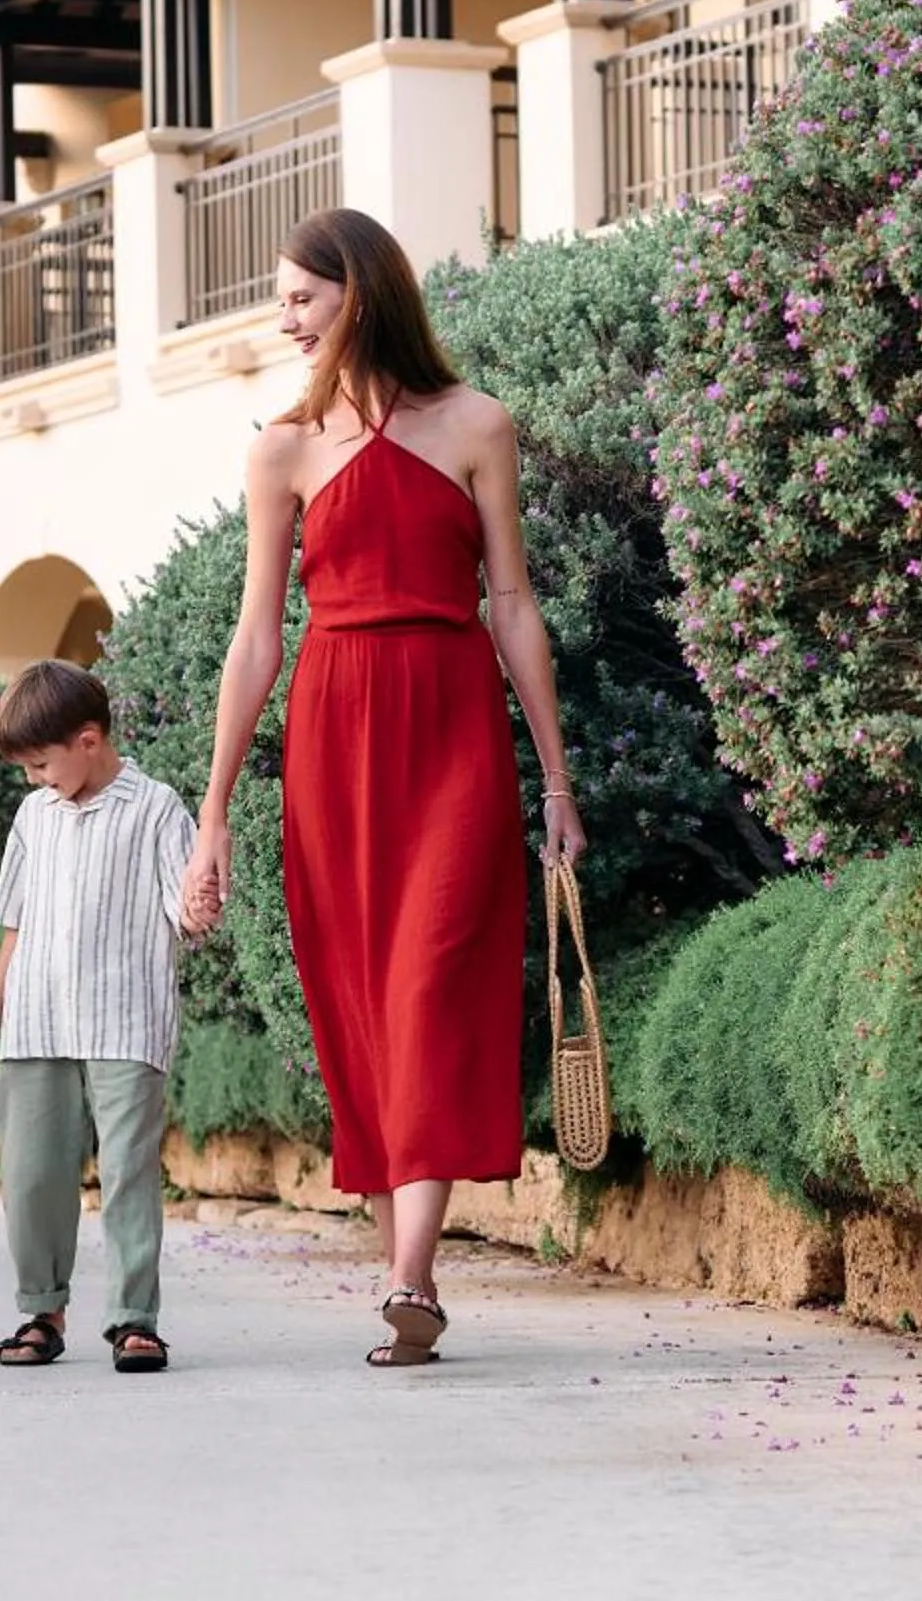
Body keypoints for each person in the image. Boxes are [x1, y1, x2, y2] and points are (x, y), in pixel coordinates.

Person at [180, 206, 587, 1370]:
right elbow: (257, 637)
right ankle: (405, 1262)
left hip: (453, 719)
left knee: (431, 978)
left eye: (300, 296)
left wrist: (555, 778)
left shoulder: (477, 425)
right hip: (334, 731)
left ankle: (411, 1274)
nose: (284, 316)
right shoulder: (283, 448)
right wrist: (212, 814)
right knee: (358, 994)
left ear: (359, 292)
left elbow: (512, 604)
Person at [0, 659, 199, 1376]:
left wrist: (200, 903)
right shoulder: (36, 815)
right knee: (32, 1173)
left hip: (126, 1019)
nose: (34, 779)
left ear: (89, 739)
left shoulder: (157, 808)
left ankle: (134, 1319)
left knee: (128, 1170)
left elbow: (184, 911)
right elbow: (16, 921)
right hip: (36, 1020)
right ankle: (41, 1308)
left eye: (40, 763)